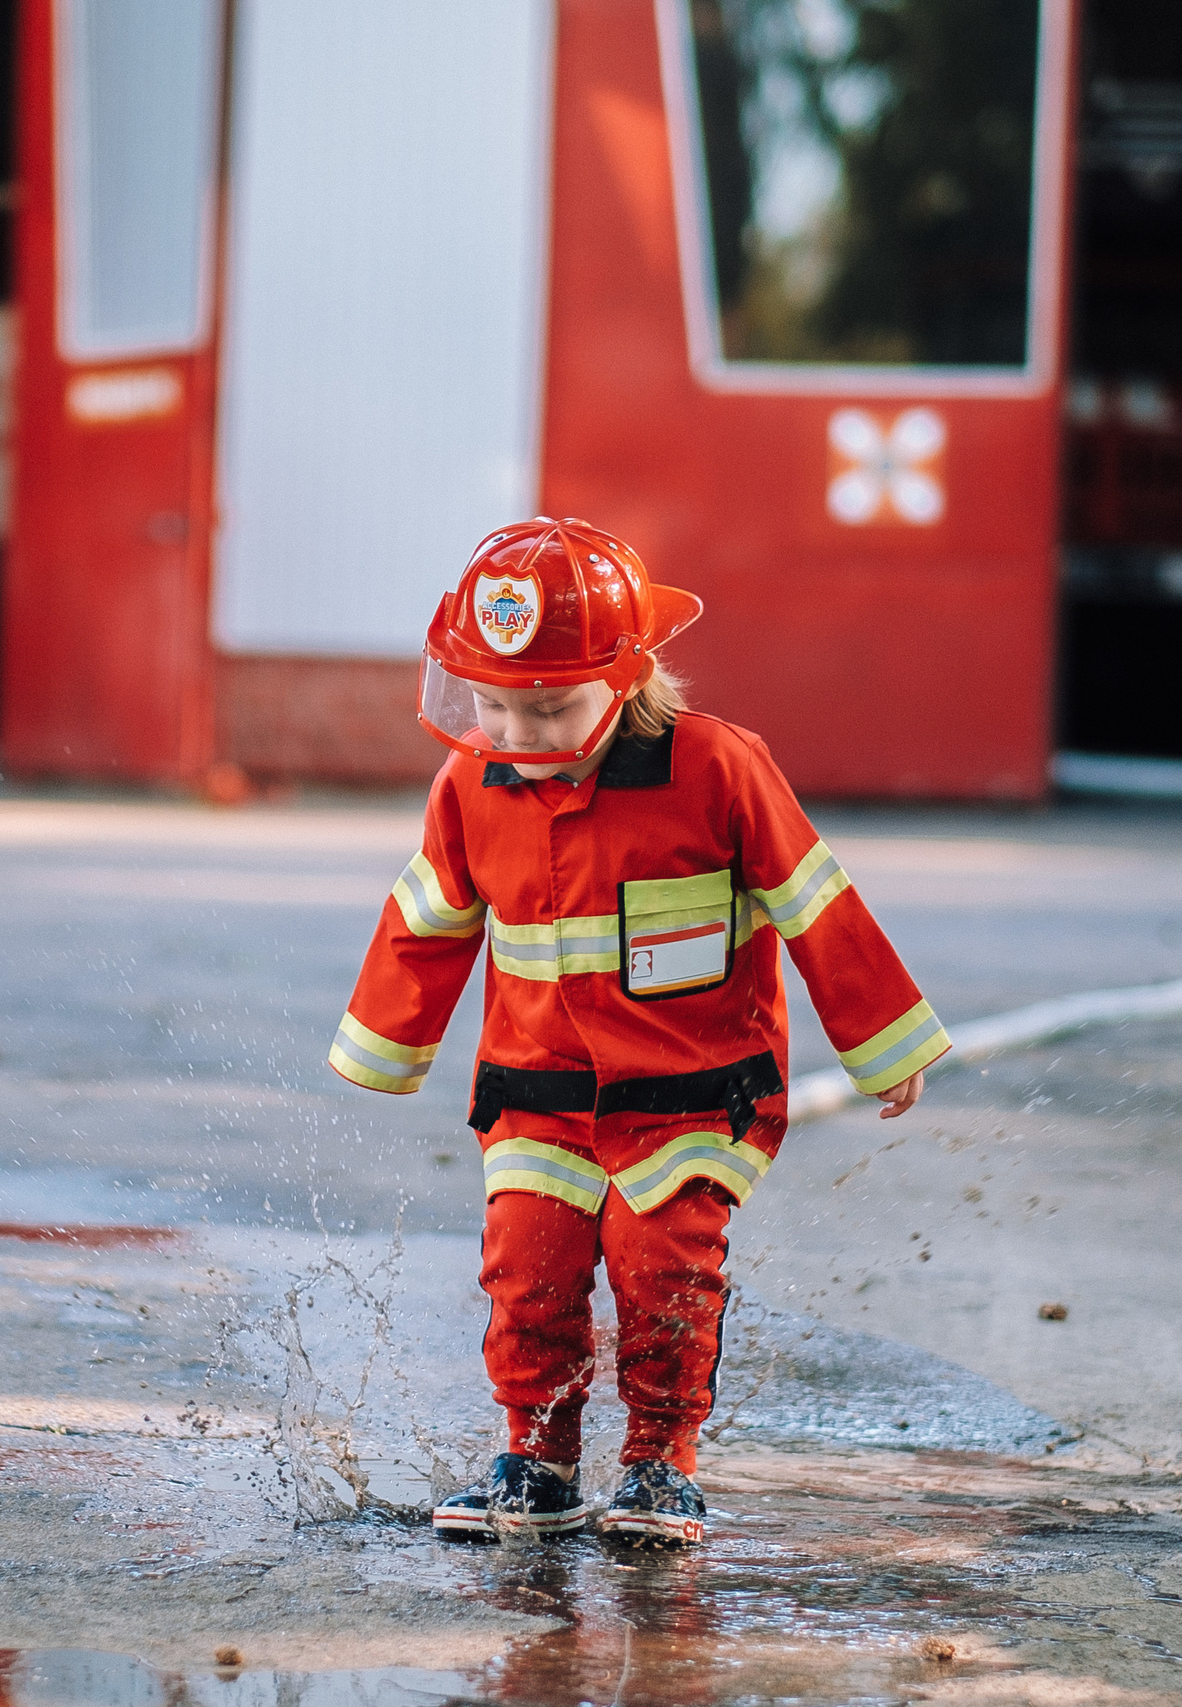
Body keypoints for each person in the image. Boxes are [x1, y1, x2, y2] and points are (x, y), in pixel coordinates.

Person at [328, 517, 948, 1547]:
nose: (516, 736)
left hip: (699, 1093)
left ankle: (660, 1463)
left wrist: (884, 1043)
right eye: (491, 706)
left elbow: (813, 900)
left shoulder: (715, 768)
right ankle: (536, 1458)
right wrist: (381, 1052)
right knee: (527, 1271)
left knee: (661, 1268)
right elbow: (428, 917)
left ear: (628, 675)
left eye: (548, 709)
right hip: (535, 1094)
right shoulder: (470, 785)